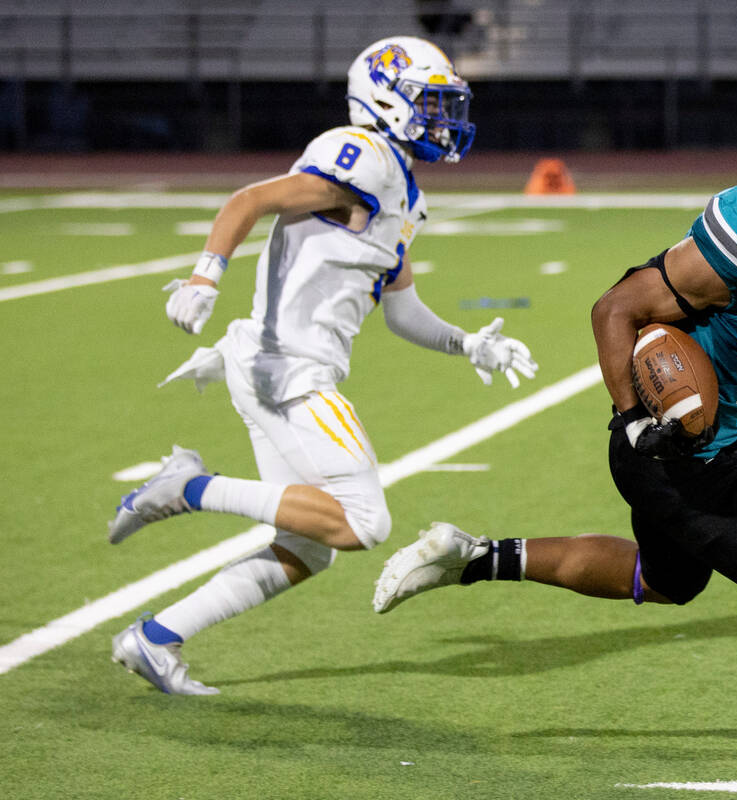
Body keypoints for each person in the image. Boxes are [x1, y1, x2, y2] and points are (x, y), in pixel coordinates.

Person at [372, 82, 737, 770]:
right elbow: (615, 308)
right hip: (669, 446)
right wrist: (636, 422)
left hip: (709, 449)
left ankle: (471, 556)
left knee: (669, 580)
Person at [107, 35, 537, 695]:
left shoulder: (402, 189)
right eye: (430, 102)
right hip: (290, 372)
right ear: (386, 101)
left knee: (308, 547)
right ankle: (188, 488)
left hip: (274, 368)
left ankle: (155, 638)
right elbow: (248, 200)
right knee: (365, 522)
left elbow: (402, 308)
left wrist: (466, 343)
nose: (444, 119)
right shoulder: (362, 155)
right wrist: (205, 276)